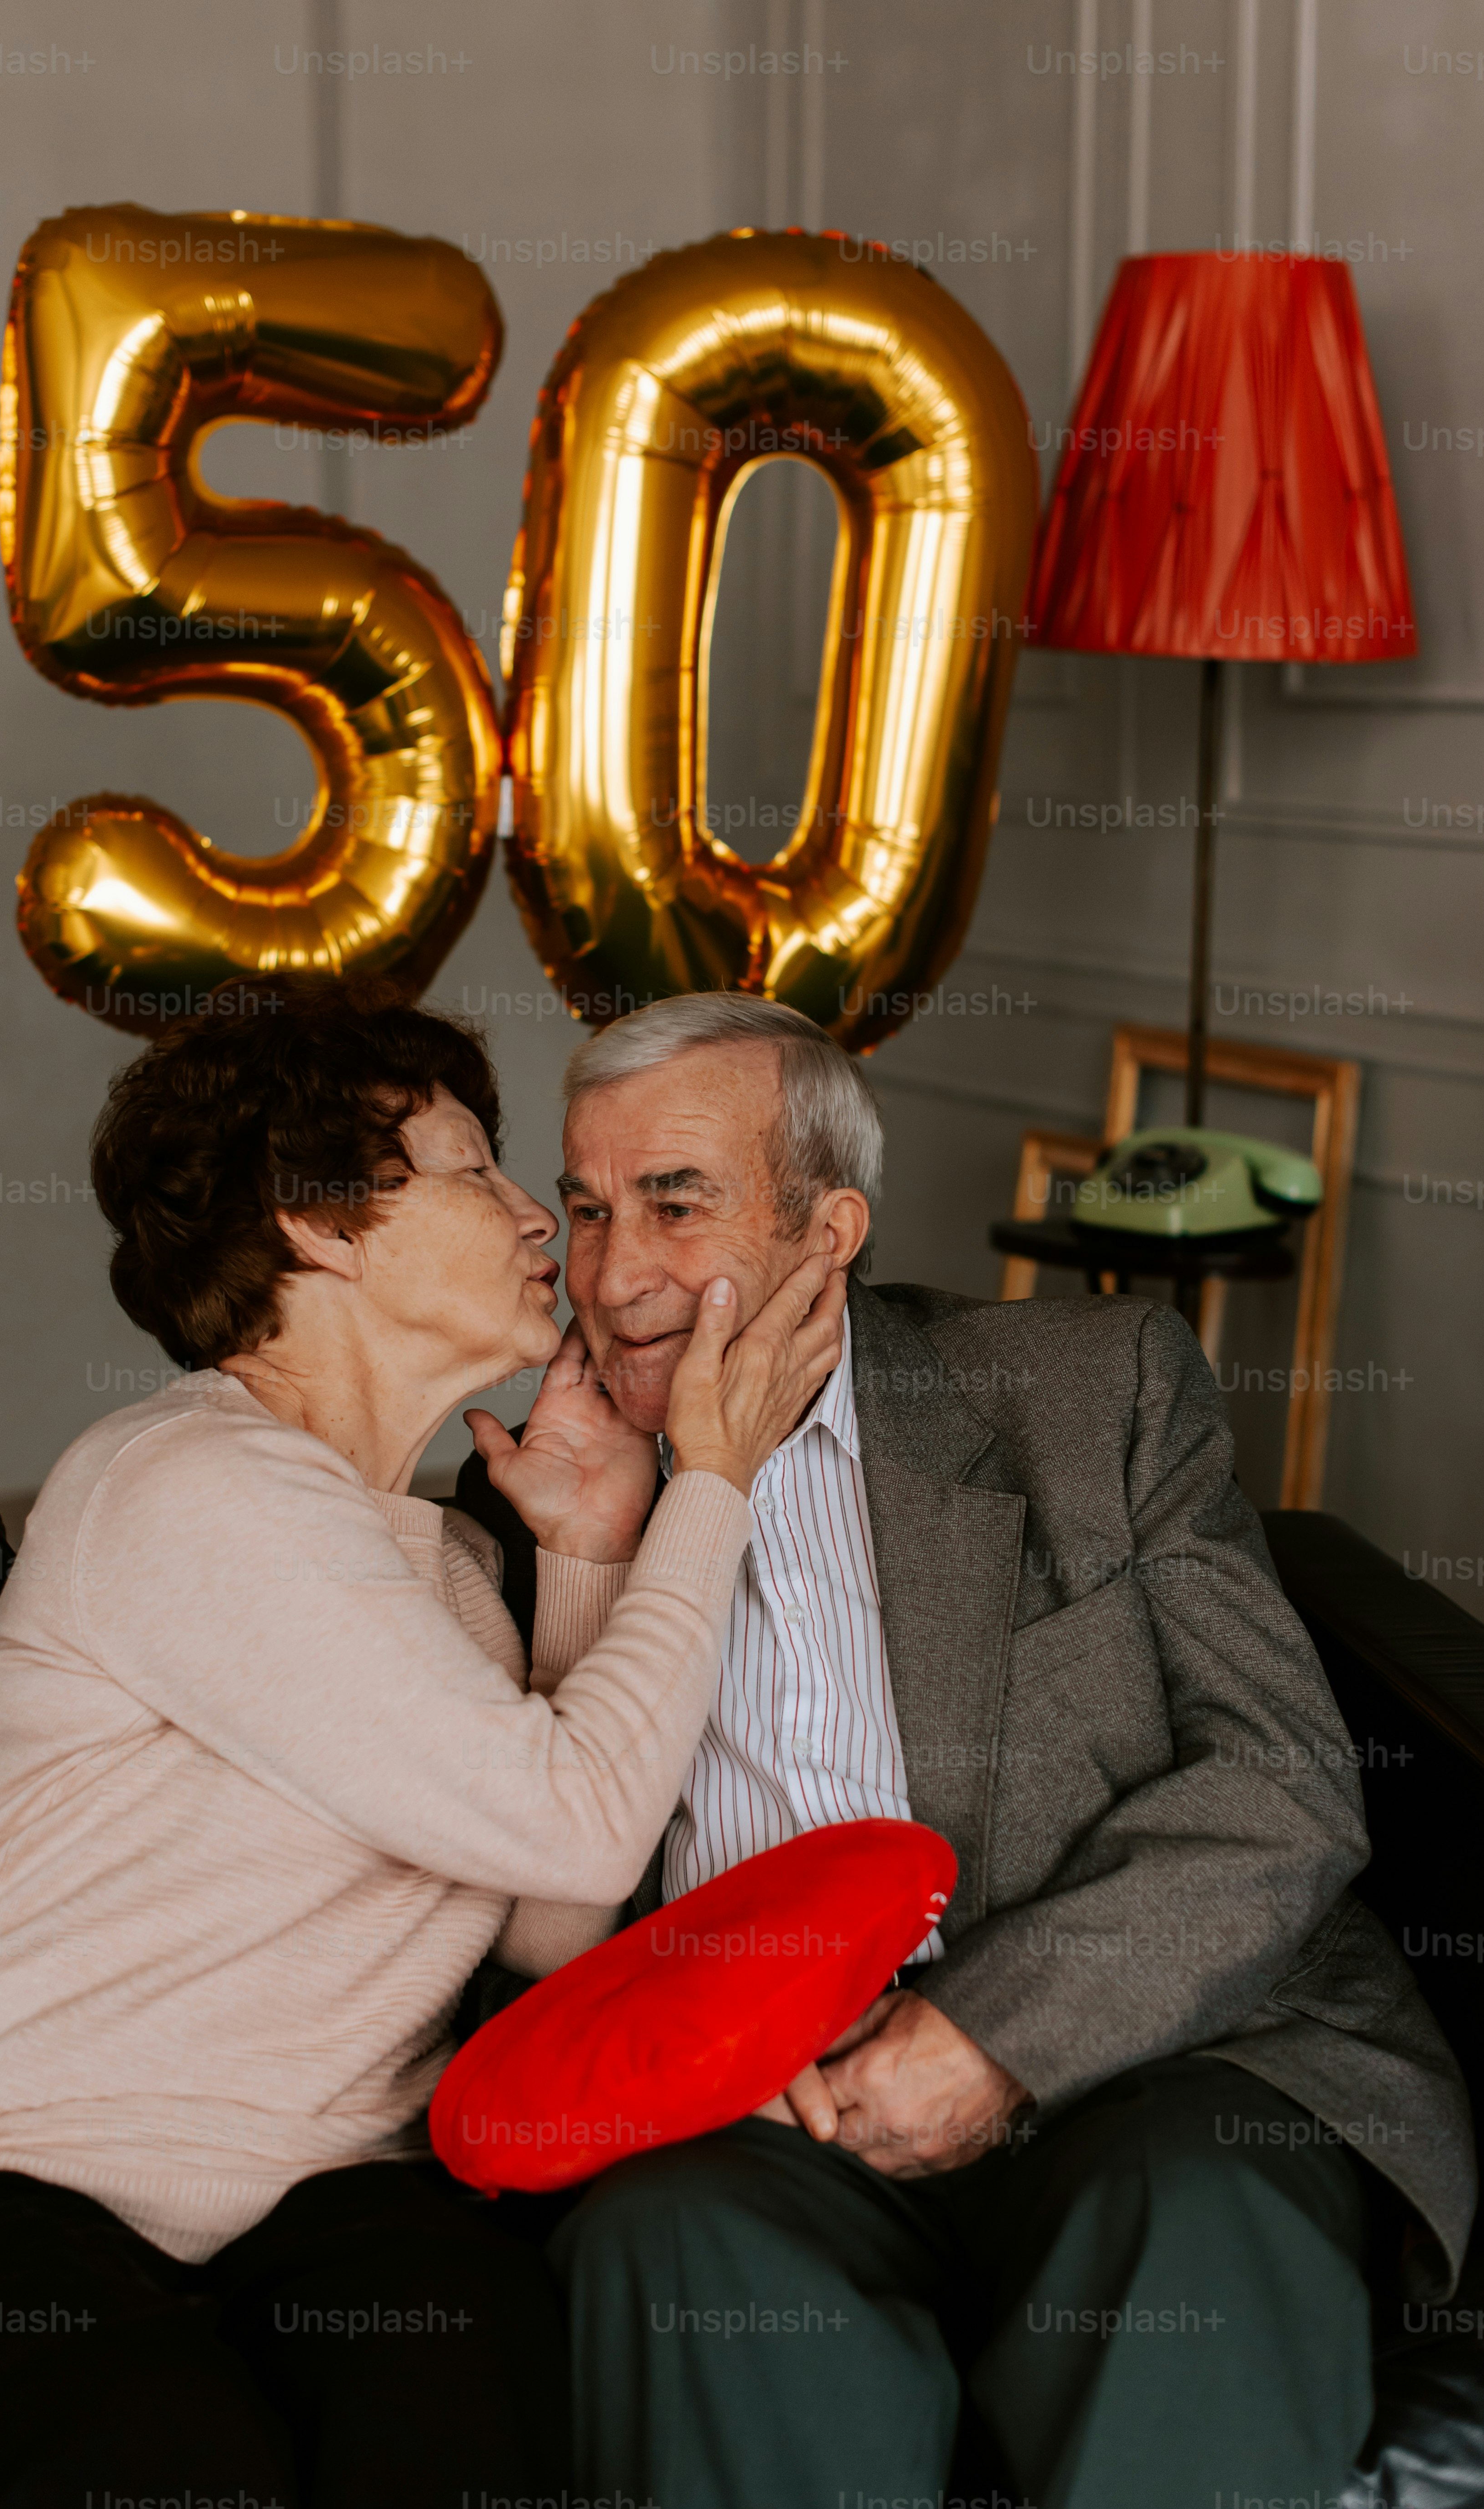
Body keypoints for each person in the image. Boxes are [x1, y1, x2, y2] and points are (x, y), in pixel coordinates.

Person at [0, 973, 843, 2509]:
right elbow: (577, 1825)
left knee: (464, 2436)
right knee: (185, 2474)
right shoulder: (185, 1483)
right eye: (472, 1169)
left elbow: (554, 1924)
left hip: (329, 2196)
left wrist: (586, 1550)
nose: (537, 1219)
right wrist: (714, 1481)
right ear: (318, 1225)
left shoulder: (440, 1567)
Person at [457, 989, 1477, 2509]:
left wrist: (992, 2035)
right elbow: (548, 1929)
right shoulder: (534, 1501)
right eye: (587, 1209)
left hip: (1147, 2051)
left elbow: (1277, 1784)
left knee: (1191, 2211)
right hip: (762, 2104)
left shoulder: (1083, 1394)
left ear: (829, 1229)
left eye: (677, 1206)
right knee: (668, 2241)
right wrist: (593, 1559)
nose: (611, 1276)